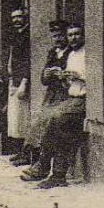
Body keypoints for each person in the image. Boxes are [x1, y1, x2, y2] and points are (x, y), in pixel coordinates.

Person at [33, 22, 89, 189]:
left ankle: (52, 171)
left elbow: (96, 79)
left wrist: (78, 76)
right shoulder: (71, 55)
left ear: (83, 35)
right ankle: (47, 169)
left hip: (85, 100)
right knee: (50, 119)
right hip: (72, 98)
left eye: (77, 34)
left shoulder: (89, 53)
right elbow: (69, 85)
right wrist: (64, 78)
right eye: (71, 35)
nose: (73, 38)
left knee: (56, 121)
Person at [15, 18, 68, 172]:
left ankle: (42, 165)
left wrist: (60, 75)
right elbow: (43, 80)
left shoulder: (71, 53)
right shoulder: (52, 53)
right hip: (51, 94)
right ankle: (33, 159)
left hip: (65, 95)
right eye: (54, 36)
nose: (57, 39)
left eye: (60, 35)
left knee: (49, 125)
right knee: (39, 124)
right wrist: (47, 74)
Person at [3, 7, 31, 157]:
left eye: (19, 17)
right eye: (14, 17)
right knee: (15, 119)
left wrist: (24, 82)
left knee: (23, 117)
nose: (16, 20)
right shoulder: (15, 34)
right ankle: (19, 151)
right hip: (14, 79)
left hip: (23, 82)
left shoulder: (27, 35)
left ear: (25, 17)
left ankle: (26, 154)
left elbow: (28, 60)